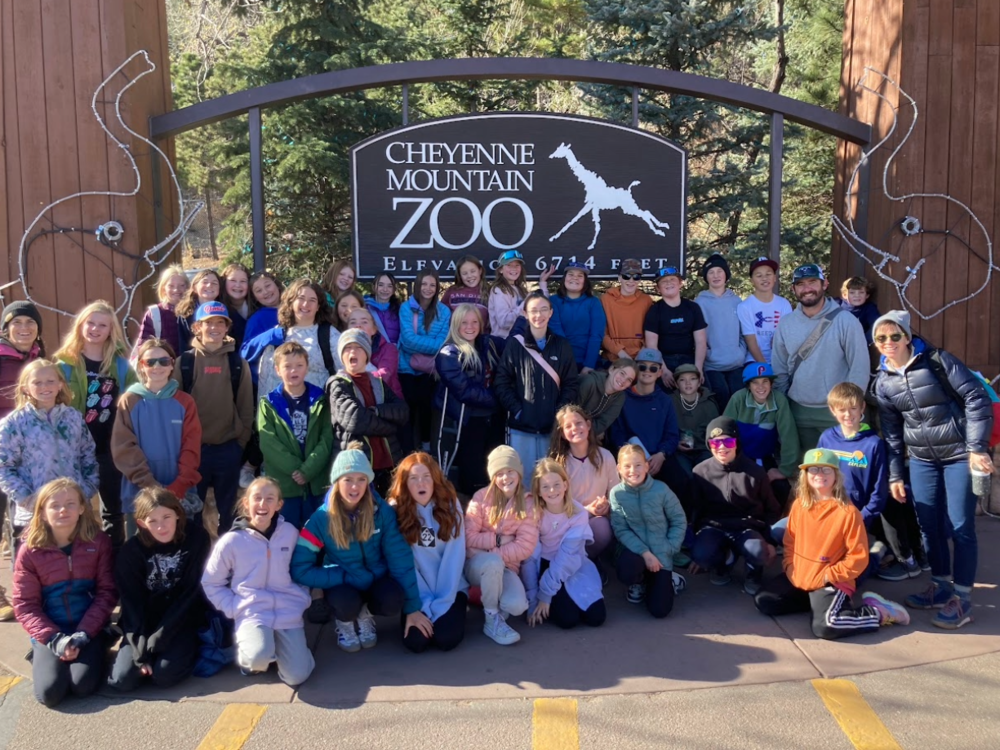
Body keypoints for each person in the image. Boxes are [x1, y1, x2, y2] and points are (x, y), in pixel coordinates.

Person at [873, 310, 994, 629]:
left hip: (958, 454)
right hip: (922, 460)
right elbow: (893, 434)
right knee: (928, 525)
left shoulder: (938, 361)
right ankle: (941, 587)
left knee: (960, 527)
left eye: (895, 336)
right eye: (881, 338)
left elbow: (976, 398)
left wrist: (976, 448)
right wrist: (896, 475)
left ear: (907, 337)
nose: (888, 343)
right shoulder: (883, 383)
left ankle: (962, 599)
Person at [754, 449, 910, 640]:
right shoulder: (799, 506)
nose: (819, 475)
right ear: (805, 475)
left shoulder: (848, 512)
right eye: (814, 469)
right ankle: (819, 604)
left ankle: (877, 612)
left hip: (831, 580)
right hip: (801, 575)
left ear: (836, 474)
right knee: (765, 601)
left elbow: (858, 558)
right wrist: (789, 566)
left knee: (826, 626)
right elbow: (790, 543)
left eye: (826, 470)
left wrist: (827, 575)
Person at [291, 445, 426, 654]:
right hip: (343, 581)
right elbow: (300, 569)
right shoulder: (320, 519)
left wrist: (413, 608)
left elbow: (400, 558)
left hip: (375, 578)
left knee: (393, 600)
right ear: (337, 482)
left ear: (369, 482)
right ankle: (345, 621)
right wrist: (341, 575)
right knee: (346, 604)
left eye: (361, 479)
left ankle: (366, 613)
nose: (355, 487)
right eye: (348, 480)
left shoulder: (382, 512)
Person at [12, 478, 116, 707]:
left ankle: (99, 645)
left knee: (83, 686)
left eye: (70, 503)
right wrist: (53, 638)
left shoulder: (98, 542)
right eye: (55, 505)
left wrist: (84, 633)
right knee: (50, 693)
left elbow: (106, 592)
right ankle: (43, 654)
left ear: (81, 508)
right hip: (51, 629)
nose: (63, 510)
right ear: (42, 513)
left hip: (88, 628)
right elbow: (24, 604)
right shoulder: (30, 550)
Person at [202, 477, 314, 685]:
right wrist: (234, 607)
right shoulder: (232, 541)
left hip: (288, 611)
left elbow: (303, 569)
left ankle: (289, 652)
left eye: (270, 499)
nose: (263, 504)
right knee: (257, 658)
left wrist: (302, 597)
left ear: (279, 505)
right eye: (257, 498)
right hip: (252, 611)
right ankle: (257, 655)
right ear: (246, 503)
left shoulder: (290, 533)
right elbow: (211, 582)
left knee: (297, 676)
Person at [54, 301, 137, 551]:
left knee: (113, 513)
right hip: (73, 452)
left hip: (109, 449)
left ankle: (113, 573)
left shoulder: (121, 366)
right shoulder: (63, 366)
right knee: (75, 513)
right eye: (90, 323)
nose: (95, 329)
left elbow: (135, 403)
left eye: (102, 325)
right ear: (81, 326)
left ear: (111, 330)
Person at [108, 487, 210, 692]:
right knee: (122, 680)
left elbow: (191, 592)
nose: (161, 527)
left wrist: (160, 638)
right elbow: (131, 603)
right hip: (144, 621)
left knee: (164, 676)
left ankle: (183, 650)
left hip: (181, 618)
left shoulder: (196, 538)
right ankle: (142, 657)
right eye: (152, 521)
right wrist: (140, 650)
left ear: (178, 515)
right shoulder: (131, 552)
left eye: (166, 517)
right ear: (141, 523)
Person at [0, 360, 98, 554]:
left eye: (50, 381)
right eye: (37, 382)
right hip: (33, 515)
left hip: (72, 512)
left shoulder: (73, 418)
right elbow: (4, 467)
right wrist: (28, 499)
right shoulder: (14, 423)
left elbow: (88, 456)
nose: (45, 387)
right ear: (26, 388)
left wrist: (84, 492)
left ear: (60, 384)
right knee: (34, 572)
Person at [173, 302, 254, 534]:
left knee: (229, 515)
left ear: (227, 327)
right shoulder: (184, 363)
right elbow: (175, 409)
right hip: (193, 450)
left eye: (221, 322)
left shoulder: (238, 363)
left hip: (228, 448)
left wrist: (240, 443)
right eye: (209, 323)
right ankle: (199, 564)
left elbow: (246, 407)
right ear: (198, 327)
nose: (215, 328)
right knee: (193, 515)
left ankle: (230, 564)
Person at [771, 263, 869, 450]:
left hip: (836, 413)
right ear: (793, 289)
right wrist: (784, 408)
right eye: (800, 284)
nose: (807, 289)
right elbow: (779, 368)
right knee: (808, 472)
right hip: (798, 411)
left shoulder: (846, 321)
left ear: (824, 284)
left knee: (842, 473)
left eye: (812, 282)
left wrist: (850, 409)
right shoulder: (786, 324)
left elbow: (859, 367)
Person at [111, 339, 202, 536]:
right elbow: (124, 448)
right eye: (150, 362)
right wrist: (151, 487)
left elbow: (191, 446)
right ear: (141, 366)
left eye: (163, 361)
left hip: (181, 494)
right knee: (142, 555)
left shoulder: (185, 402)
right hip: (140, 495)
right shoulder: (129, 401)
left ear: (172, 364)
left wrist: (178, 486)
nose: (157, 367)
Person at [689, 416, 781, 595]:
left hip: (747, 527)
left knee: (757, 551)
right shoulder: (700, 472)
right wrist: (697, 544)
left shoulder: (755, 472)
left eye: (728, 442)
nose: (722, 448)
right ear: (709, 445)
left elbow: (772, 508)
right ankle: (723, 563)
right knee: (702, 554)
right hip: (714, 526)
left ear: (737, 442)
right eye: (715, 443)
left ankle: (753, 573)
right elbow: (695, 509)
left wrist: (768, 541)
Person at [389, 452, 469, 653]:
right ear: (405, 483)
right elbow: (402, 563)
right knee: (416, 643)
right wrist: (417, 606)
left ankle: (458, 609)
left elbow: (454, 559)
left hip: (450, 589)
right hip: (415, 592)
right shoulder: (395, 511)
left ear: (435, 479)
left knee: (446, 639)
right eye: (413, 479)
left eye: (426, 477)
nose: (421, 484)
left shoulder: (450, 505)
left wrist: (441, 604)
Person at [494, 291, 580, 471]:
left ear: (550, 313)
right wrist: (518, 411)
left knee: (551, 481)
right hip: (521, 428)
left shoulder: (562, 345)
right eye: (533, 310)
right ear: (525, 314)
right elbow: (502, 382)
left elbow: (571, 384)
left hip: (553, 429)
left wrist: (559, 415)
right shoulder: (515, 345)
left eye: (543, 310)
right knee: (522, 481)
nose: (538, 315)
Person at [465, 445, 539, 645]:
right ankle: (491, 619)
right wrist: (498, 540)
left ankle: (489, 599)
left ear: (519, 472)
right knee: (491, 563)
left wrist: (491, 550)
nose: (505, 477)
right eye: (499, 473)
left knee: (516, 606)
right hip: (477, 566)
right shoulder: (481, 498)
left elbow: (525, 546)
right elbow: (468, 536)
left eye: (510, 471)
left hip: (507, 568)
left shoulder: (529, 502)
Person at [0, 300, 46, 618]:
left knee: (25, 521)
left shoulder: (40, 360)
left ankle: (25, 591)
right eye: (17, 323)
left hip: (30, 452)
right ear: (6, 328)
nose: (24, 328)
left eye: (30, 323)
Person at [257, 341, 333, 529]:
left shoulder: (320, 399)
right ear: (277, 370)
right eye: (287, 366)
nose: (293, 371)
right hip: (285, 486)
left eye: (299, 365)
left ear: (307, 368)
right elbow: (269, 443)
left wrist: (308, 470)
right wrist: (296, 470)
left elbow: (327, 438)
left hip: (316, 483)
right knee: (286, 535)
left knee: (318, 535)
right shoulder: (268, 404)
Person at [523, 459, 606, 629]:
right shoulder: (533, 513)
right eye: (545, 486)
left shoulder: (578, 513)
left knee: (597, 617)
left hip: (573, 563)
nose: (552, 491)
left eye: (556, 484)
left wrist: (546, 594)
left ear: (565, 485)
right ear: (538, 491)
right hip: (545, 564)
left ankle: (562, 596)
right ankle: (558, 601)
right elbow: (529, 556)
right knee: (568, 620)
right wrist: (534, 598)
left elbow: (568, 556)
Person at [327, 329, 409, 497]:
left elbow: (403, 411)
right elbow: (356, 420)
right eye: (347, 348)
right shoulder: (337, 384)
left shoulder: (378, 383)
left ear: (367, 354)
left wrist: (377, 411)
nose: (352, 352)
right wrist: (391, 427)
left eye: (358, 347)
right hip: (357, 468)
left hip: (388, 465)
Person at [609, 443, 687, 618]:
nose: (633, 470)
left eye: (638, 465)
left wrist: (670, 548)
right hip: (636, 552)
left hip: (662, 552)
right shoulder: (616, 494)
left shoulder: (661, 489)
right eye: (627, 466)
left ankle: (670, 579)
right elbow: (620, 529)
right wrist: (645, 553)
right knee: (627, 569)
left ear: (646, 466)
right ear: (619, 469)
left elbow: (679, 520)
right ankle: (639, 581)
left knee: (660, 611)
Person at [433, 304, 503, 495]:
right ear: (455, 325)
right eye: (464, 322)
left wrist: (523, 318)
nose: (470, 327)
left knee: (494, 471)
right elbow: (466, 391)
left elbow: (515, 342)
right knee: (472, 474)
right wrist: (500, 399)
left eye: (474, 322)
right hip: (467, 422)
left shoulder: (488, 345)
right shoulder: (448, 353)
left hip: (494, 419)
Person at [243, 279, 341, 398]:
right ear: (291, 302)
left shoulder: (329, 334)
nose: (306, 304)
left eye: (312, 300)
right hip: (280, 412)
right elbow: (266, 378)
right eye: (301, 298)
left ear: (318, 306)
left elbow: (344, 373)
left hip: (319, 411)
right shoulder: (278, 334)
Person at [723, 362, 800, 503]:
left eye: (765, 381)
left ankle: (773, 522)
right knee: (742, 488)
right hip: (740, 457)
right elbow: (725, 432)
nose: (761, 387)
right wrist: (728, 463)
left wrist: (785, 470)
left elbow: (788, 435)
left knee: (781, 488)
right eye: (755, 383)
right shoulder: (738, 399)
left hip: (765, 456)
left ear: (771, 384)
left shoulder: (779, 400)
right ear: (748, 386)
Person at [550, 405, 617, 562]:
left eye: (579, 423)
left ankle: (590, 559)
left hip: (596, 518)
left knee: (602, 528)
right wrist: (585, 510)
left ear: (588, 425)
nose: (575, 428)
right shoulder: (558, 463)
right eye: (568, 426)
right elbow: (554, 503)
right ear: (562, 433)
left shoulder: (606, 457)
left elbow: (615, 492)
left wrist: (606, 505)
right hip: (568, 520)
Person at [399, 270, 451, 452]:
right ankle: (409, 452)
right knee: (409, 412)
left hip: (430, 369)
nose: (428, 289)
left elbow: (442, 343)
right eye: (424, 284)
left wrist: (417, 344)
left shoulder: (443, 311)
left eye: (432, 285)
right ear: (417, 285)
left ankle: (427, 450)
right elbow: (406, 340)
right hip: (405, 367)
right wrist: (429, 344)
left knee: (428, 411)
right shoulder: (406, 308)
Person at [643, 266, 707, 388]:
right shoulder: (654, 311)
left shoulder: (693, 308)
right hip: (664, 360)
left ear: (680, 283)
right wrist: (663, 370)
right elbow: (651, 346)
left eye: (672, 279)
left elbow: (701, 342)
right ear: (658, 288)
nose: (668, 283)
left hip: (689, 359)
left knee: (704, 392)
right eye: (663, 281)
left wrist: (697, 369)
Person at [695, 254, 747, 405]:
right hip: (712, 364)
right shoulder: (700, 303)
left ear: (726, 275)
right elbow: (698, 335)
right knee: (720, 396)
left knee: (738, 398)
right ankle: (718, 429)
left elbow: (743, 332)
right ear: (706, 277)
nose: (716, 276)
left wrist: (740, 352)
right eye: (711, 272)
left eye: (719, 271)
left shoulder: (737, 301)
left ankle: (737, 429)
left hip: (735, 362)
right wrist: (708, 354)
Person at [549, 262, 606, 373]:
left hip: (588, 362)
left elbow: (596, 335)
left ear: (585, 281)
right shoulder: (554, 301)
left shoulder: (593, 302)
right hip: (561, 361)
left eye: (580, 276)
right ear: (564, 278)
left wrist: (589, 365)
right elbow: (557, 333)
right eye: (571, 274)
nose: (575, 278)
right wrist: (566, 364)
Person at [737, 257, 792, 365]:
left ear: (775, 278)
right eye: (759, 275)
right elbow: (750, 340)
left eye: (768, 274)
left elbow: (786, 335)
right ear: (752, 280)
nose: (764, 278)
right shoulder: (744, 306)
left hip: (780, 359)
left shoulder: (784, 304)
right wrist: (764, 366)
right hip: (754, 360)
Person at [601, 258, 653, 364]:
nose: (631, 281)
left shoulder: (646, 300)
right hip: (613, 358)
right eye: (626, 276)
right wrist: (621, 353)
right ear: (620, 278)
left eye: (636, 277)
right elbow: (601, 333)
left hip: (641, 358)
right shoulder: (605, 300)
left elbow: (652, 331)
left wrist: (642, 353)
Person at [670, 363, 720, 473]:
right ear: (677, 384)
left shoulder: (709, 402)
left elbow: (715, 433)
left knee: (706, 473)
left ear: (699, 382)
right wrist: (675, 443)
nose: (688, 383)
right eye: (682, 380)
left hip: (704, 449)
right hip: (678, 450)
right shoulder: (669, 402)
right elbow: (663, 429)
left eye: (693, 379)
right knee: (684, 475)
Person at [347, 307, 403, 398]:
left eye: (364, 322)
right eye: (353, 322)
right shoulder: (344, 352)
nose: (358, 325)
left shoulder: (388, 349)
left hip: (388, 403)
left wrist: (357, 380)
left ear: (374, 329)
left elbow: (384, 375)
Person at [576, 359, 637, 440]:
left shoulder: (620, 397)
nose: (623, 380)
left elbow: (603, 423)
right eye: (622, 373)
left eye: (629, 380)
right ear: (611, 369)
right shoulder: (590, 382)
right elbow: (570, 411)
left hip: (586, 434)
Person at [135, 264, 188, 355]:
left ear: (187, 287)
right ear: (163, 288)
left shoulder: (194, 312)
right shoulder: (154, 314)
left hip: (192, 367)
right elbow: (143, 347)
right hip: (163, 366)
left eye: (181, 285)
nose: (176, 290)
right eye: (171, 286)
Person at [175, 268, 222, 353]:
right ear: (194, 287)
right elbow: (182, 343)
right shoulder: (185, 314)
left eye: (214, 283)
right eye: (205, 282)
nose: (209, 285)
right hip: (194, 360)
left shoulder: (226, 312)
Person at [440, 254, 491, 333]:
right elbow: (441, 316)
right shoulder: (452, 291)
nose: (469, 276)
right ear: (460, 276)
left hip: (481, 339)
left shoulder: (489, 291)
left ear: (480, 271)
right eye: (464, 273)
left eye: (473, 271)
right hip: (456, 339)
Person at [488, 249, 530, 338]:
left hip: (519, 341)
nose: (514, 268)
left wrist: (542, 283)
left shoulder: (520, 289)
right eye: (509, 265)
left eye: (517, 265)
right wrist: (526, 304)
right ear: (500, 270)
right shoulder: (499, 290)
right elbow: (504, 322)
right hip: (503, 343)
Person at [243, 271, 284, 346]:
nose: (265, 292)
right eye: (259, 291)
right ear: (255, 297)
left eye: (268, 285)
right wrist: (272, 335)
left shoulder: (296, 307)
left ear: (276, 284)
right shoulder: (256, 320)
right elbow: (246, 350)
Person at [220, 262, 253, 348]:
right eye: (232, 280)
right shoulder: (218, 310)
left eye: (243, 281)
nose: (238, 285)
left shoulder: (257, 307)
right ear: (224, 282)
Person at [365, 271, 403, 346]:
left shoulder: (400, 310)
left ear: (394, 289)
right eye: (381, 285)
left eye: (389, 286)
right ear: (374, 287)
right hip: (373, 355)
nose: (385, 289)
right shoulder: (365, 308)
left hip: (394, 354)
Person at [839, 276, 880, 345]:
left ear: (867, 295)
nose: (857, 295)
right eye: (852, 292)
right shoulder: (836, 305)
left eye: (861, 292)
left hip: (857, 344)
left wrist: (862, 342)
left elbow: (876, 325)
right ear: (845, 295)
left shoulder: (869, 308)